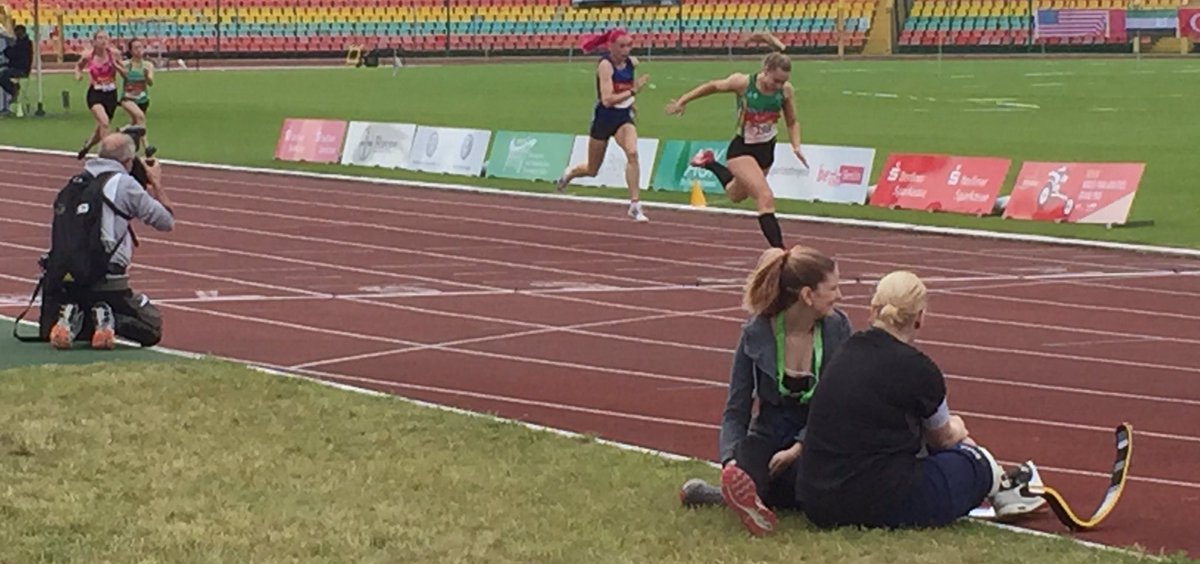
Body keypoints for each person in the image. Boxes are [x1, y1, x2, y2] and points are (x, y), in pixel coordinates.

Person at [720, 270, 1047, 536]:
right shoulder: (920, 369)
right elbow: (944, 438)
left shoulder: (843, 353)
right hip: (873, 497)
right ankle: (1001, 484)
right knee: (974, 460)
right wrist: (960, 428)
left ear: (873, 309)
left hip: (817, 499)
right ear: (920, 317)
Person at [679, 245, 852, 515]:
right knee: (749, 459)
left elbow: (841, 405)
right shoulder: (756, 333)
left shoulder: (838, 329)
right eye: (832, 288)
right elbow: (736, 411)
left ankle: (739, 496)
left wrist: (798, 447)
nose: (839, 296)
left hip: (815, 436)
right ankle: (741, 488)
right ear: (807, 295)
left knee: (819, 478)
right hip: (768, 437)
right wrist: (730, 461)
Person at [665, 43, 807, 249]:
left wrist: (796, 146)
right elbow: (713, 86)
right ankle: (780, 252)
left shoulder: (785, 91)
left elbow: (792, 121)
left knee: (735, 195)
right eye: (775, 80)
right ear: (765, 70)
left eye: (783, 81)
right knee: (765, 197)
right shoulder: (743, 82)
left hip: (766, 151)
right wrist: (683, 101)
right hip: (742, 149)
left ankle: (710, 162)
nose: (778, 85)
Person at [42, 131, 175, 350]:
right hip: (107, 278)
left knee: (88, 317)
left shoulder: (75, 184)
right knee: (151, 327)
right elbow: (166, 221)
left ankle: (76, 315)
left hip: (67, 278)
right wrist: (156, 183)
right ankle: (107, 316)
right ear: (127, 161)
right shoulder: (123, 184)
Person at [555, 28, 651, 223]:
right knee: (592, 169)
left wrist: (632, 105)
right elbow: (607, 100)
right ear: (611, 46)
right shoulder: (605, 66)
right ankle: (570, 173)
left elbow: (624, 86)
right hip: (604, 118)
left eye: (629, 46)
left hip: (623, 118)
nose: (626, 50)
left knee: (632, 153)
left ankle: (635, 204)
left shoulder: (632, 63)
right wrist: (633, 92)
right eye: (622, 46)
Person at [74, 30, 127, 160]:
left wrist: (117, 66)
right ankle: (105, 155)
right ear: (94, 41)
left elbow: (126, 74)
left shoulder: (114, 54)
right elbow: (78, 66)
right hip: (95, 94)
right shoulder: (88, 56)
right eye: (100, 38)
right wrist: (78, 75)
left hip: (111, 94)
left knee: (103, 125)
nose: (103, 40)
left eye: (105, 38)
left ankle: (88, 145)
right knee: (104, 122)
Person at [119, 38, 154, 139]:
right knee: (140, 118)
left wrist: (147, 76)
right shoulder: (126, 64)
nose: (139, 50)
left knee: (135, 125)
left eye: (140, 47)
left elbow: (150, 83)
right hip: (128, 98)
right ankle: (147, 149)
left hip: (142, 99)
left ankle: (121, 132)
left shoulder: (148, 65)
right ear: (131, 51)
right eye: (136, 48)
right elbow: (115, 65)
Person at [0, 24, 32, 106]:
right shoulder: (19, 42)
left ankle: (14, 90)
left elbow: (14, 55)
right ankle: (13, 89)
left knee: (2, 75)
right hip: (16, 66)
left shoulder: (25, 44)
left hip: (21, 69)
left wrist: (10, 49)